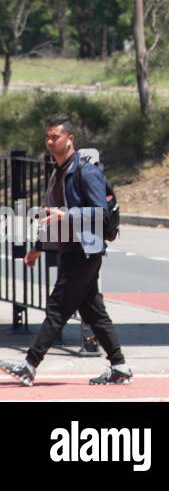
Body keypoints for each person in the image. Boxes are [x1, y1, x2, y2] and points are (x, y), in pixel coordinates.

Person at [0, 115, 131, 386]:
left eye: (55, 136)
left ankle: (29, 364)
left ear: (70, 139)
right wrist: (38, 247)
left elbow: (100, 213)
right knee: (93, 311)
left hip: (85, 251)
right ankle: (119, 367)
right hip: (70, 250)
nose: (49, 141)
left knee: (58, 307)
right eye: (47, 137)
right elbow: (53, 215)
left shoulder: (86, 171)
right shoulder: (59, 172)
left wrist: (66, 213)